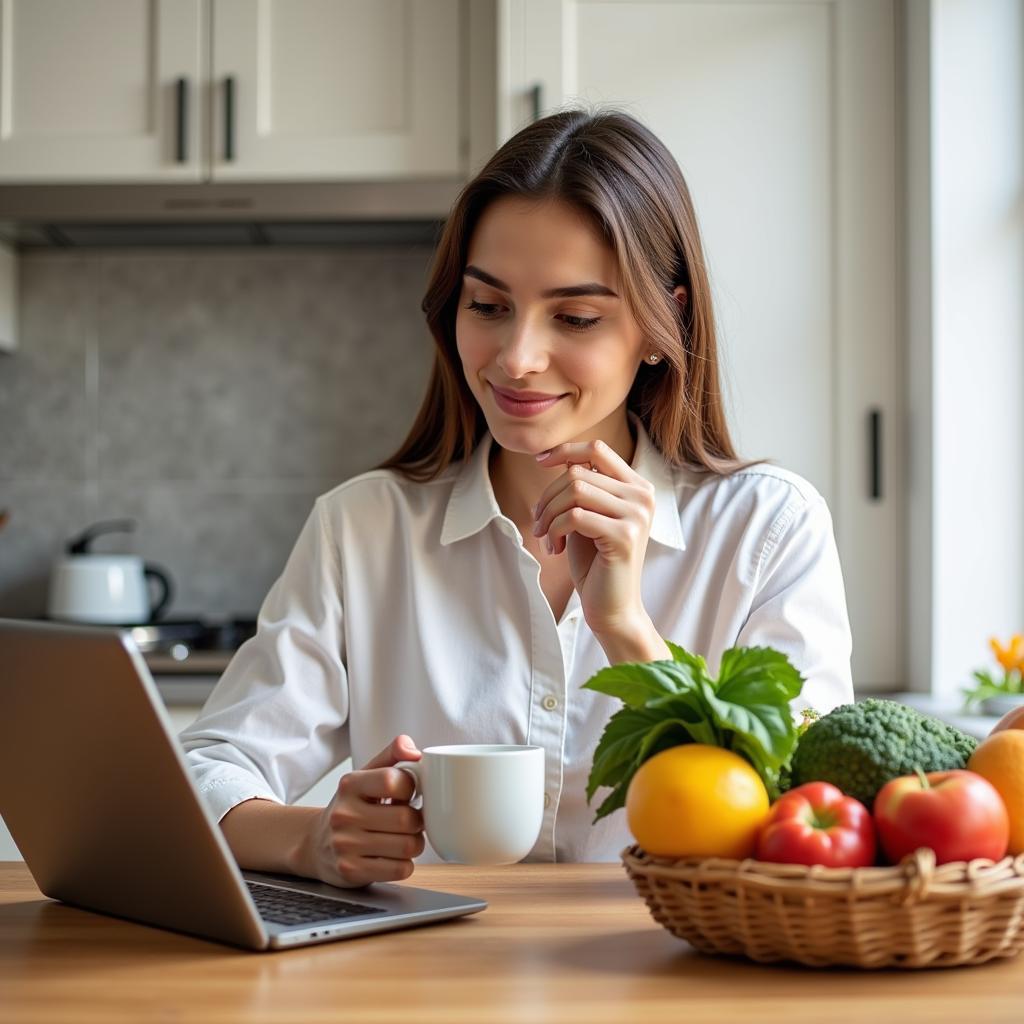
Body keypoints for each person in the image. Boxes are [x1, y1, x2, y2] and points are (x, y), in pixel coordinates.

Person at [180, 107, 853, 888]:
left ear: (661, 319)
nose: (516, 358)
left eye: (574, 316)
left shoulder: (768, 528)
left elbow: (818, 809)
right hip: (419, 990)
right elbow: (209, 768)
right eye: (488, 306)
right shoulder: (361, 527)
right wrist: (314, 839)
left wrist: (629, 631)